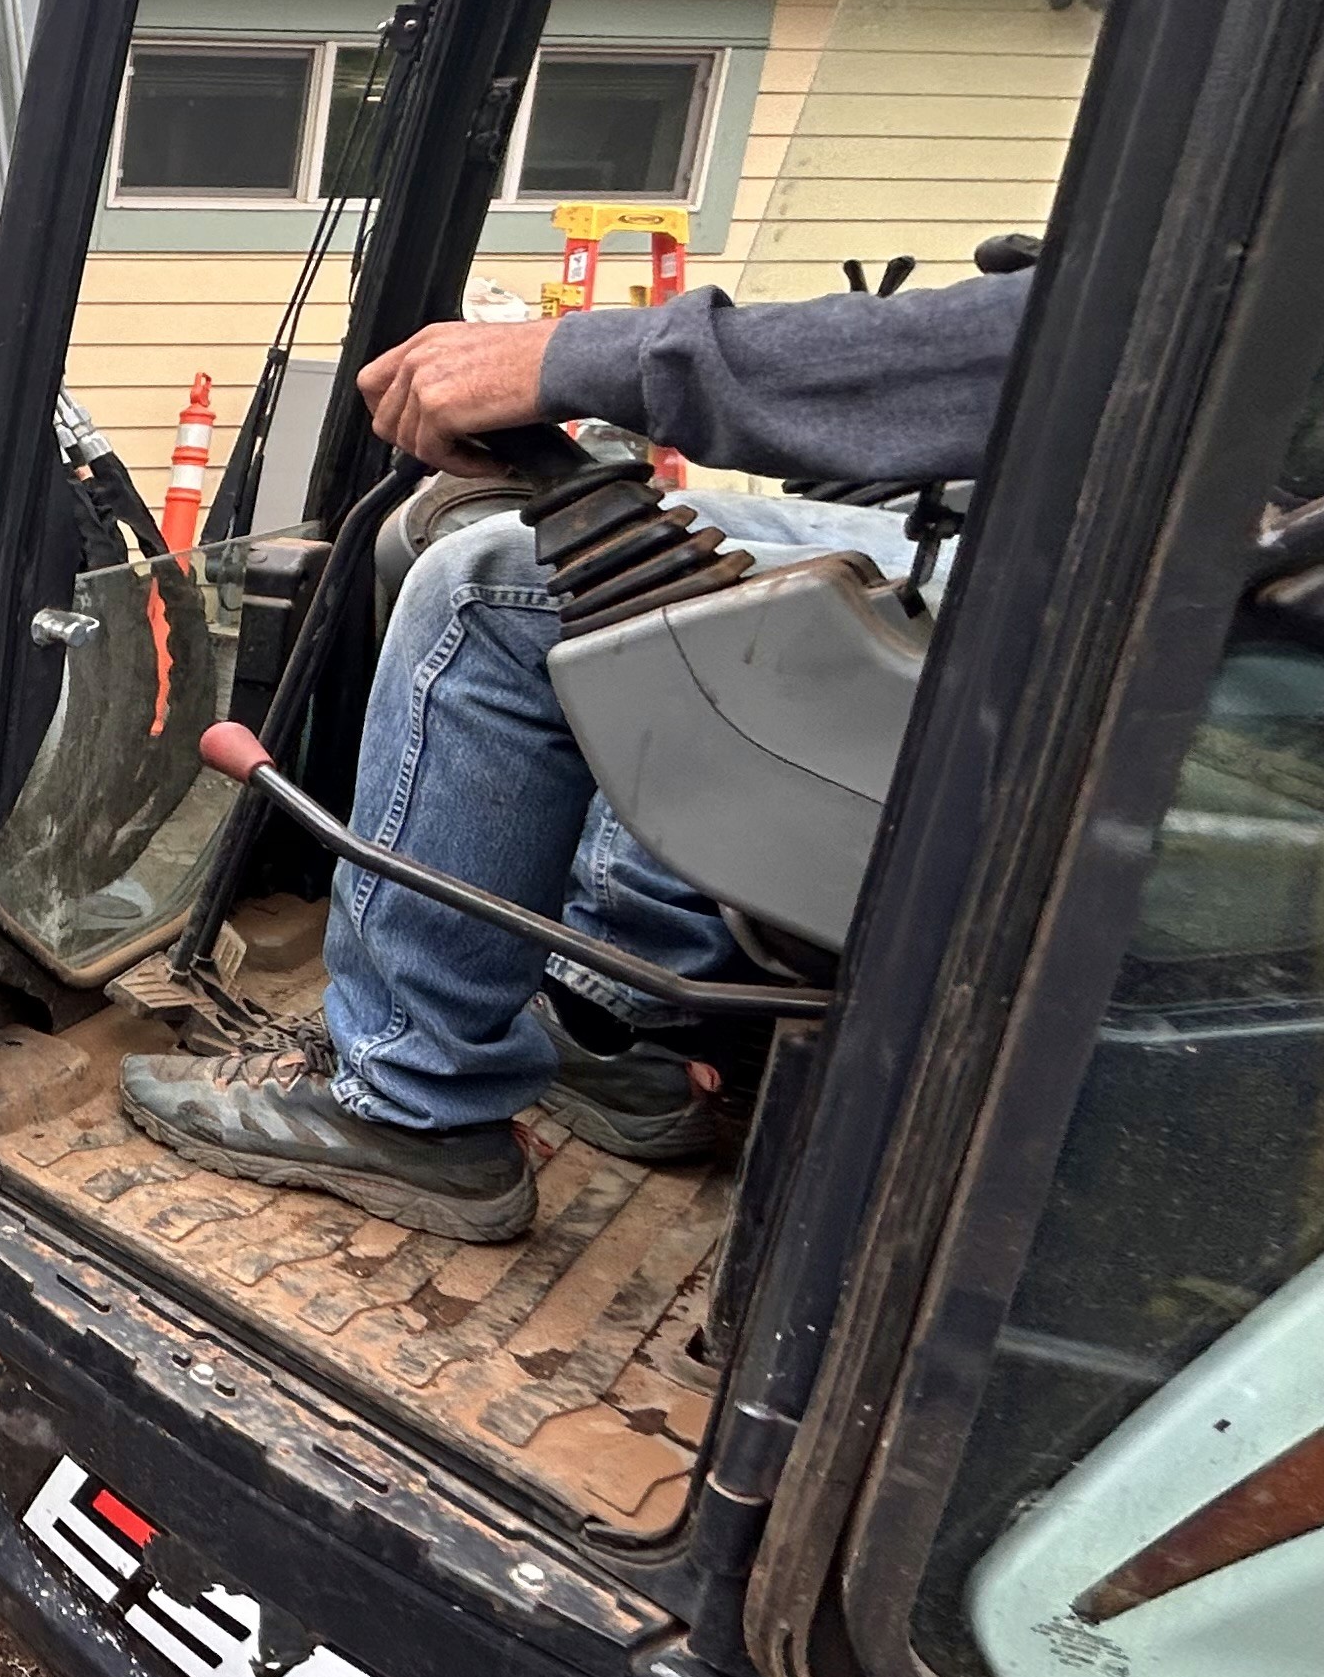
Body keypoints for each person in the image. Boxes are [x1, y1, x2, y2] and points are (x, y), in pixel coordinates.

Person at [120, 266, 1034, 1243]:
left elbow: (1059, 334)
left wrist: (575, 360)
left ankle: (410, 1093)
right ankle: (617, 1013)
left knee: (482, 584)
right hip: (1056, 536)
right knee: (601, 567)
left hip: (1082, 601)